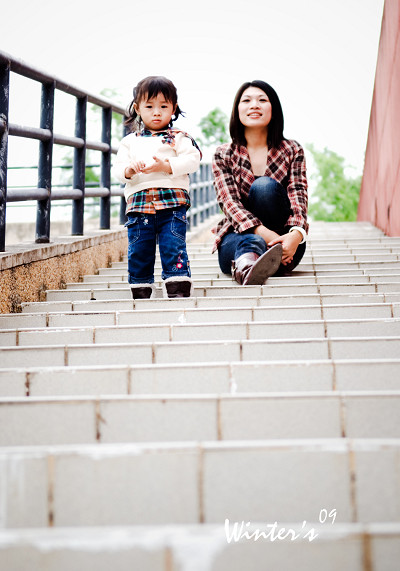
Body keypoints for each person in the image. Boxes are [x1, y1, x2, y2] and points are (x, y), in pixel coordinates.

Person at [212, 80, 308, 285]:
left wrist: (296, 235)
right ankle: (249, 268)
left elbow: (298, 195)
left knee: (264, 187)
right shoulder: (223, 154)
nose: (254, 105)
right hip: (237, 236)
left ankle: (259, 262)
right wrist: (261, 233)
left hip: (285, 242)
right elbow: (228, 202)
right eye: (246, 100)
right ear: (237, 109)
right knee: (251, 241)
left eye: (262, 100)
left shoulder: (292, 150)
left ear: (273, 108)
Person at [113, 76, 202, 299]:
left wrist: (166, 165)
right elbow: (117, 170)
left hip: (172, 202)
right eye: (149, 106)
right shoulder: (129, 142)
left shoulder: (179, 138)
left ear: (174, 109)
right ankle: (141, 288)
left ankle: (177, 285)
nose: (156, 112)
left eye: (164, 106)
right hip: (139, 205)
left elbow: (192, 160)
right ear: (137, 109)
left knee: (173, 245)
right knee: (139, 250)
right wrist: (129, 171)